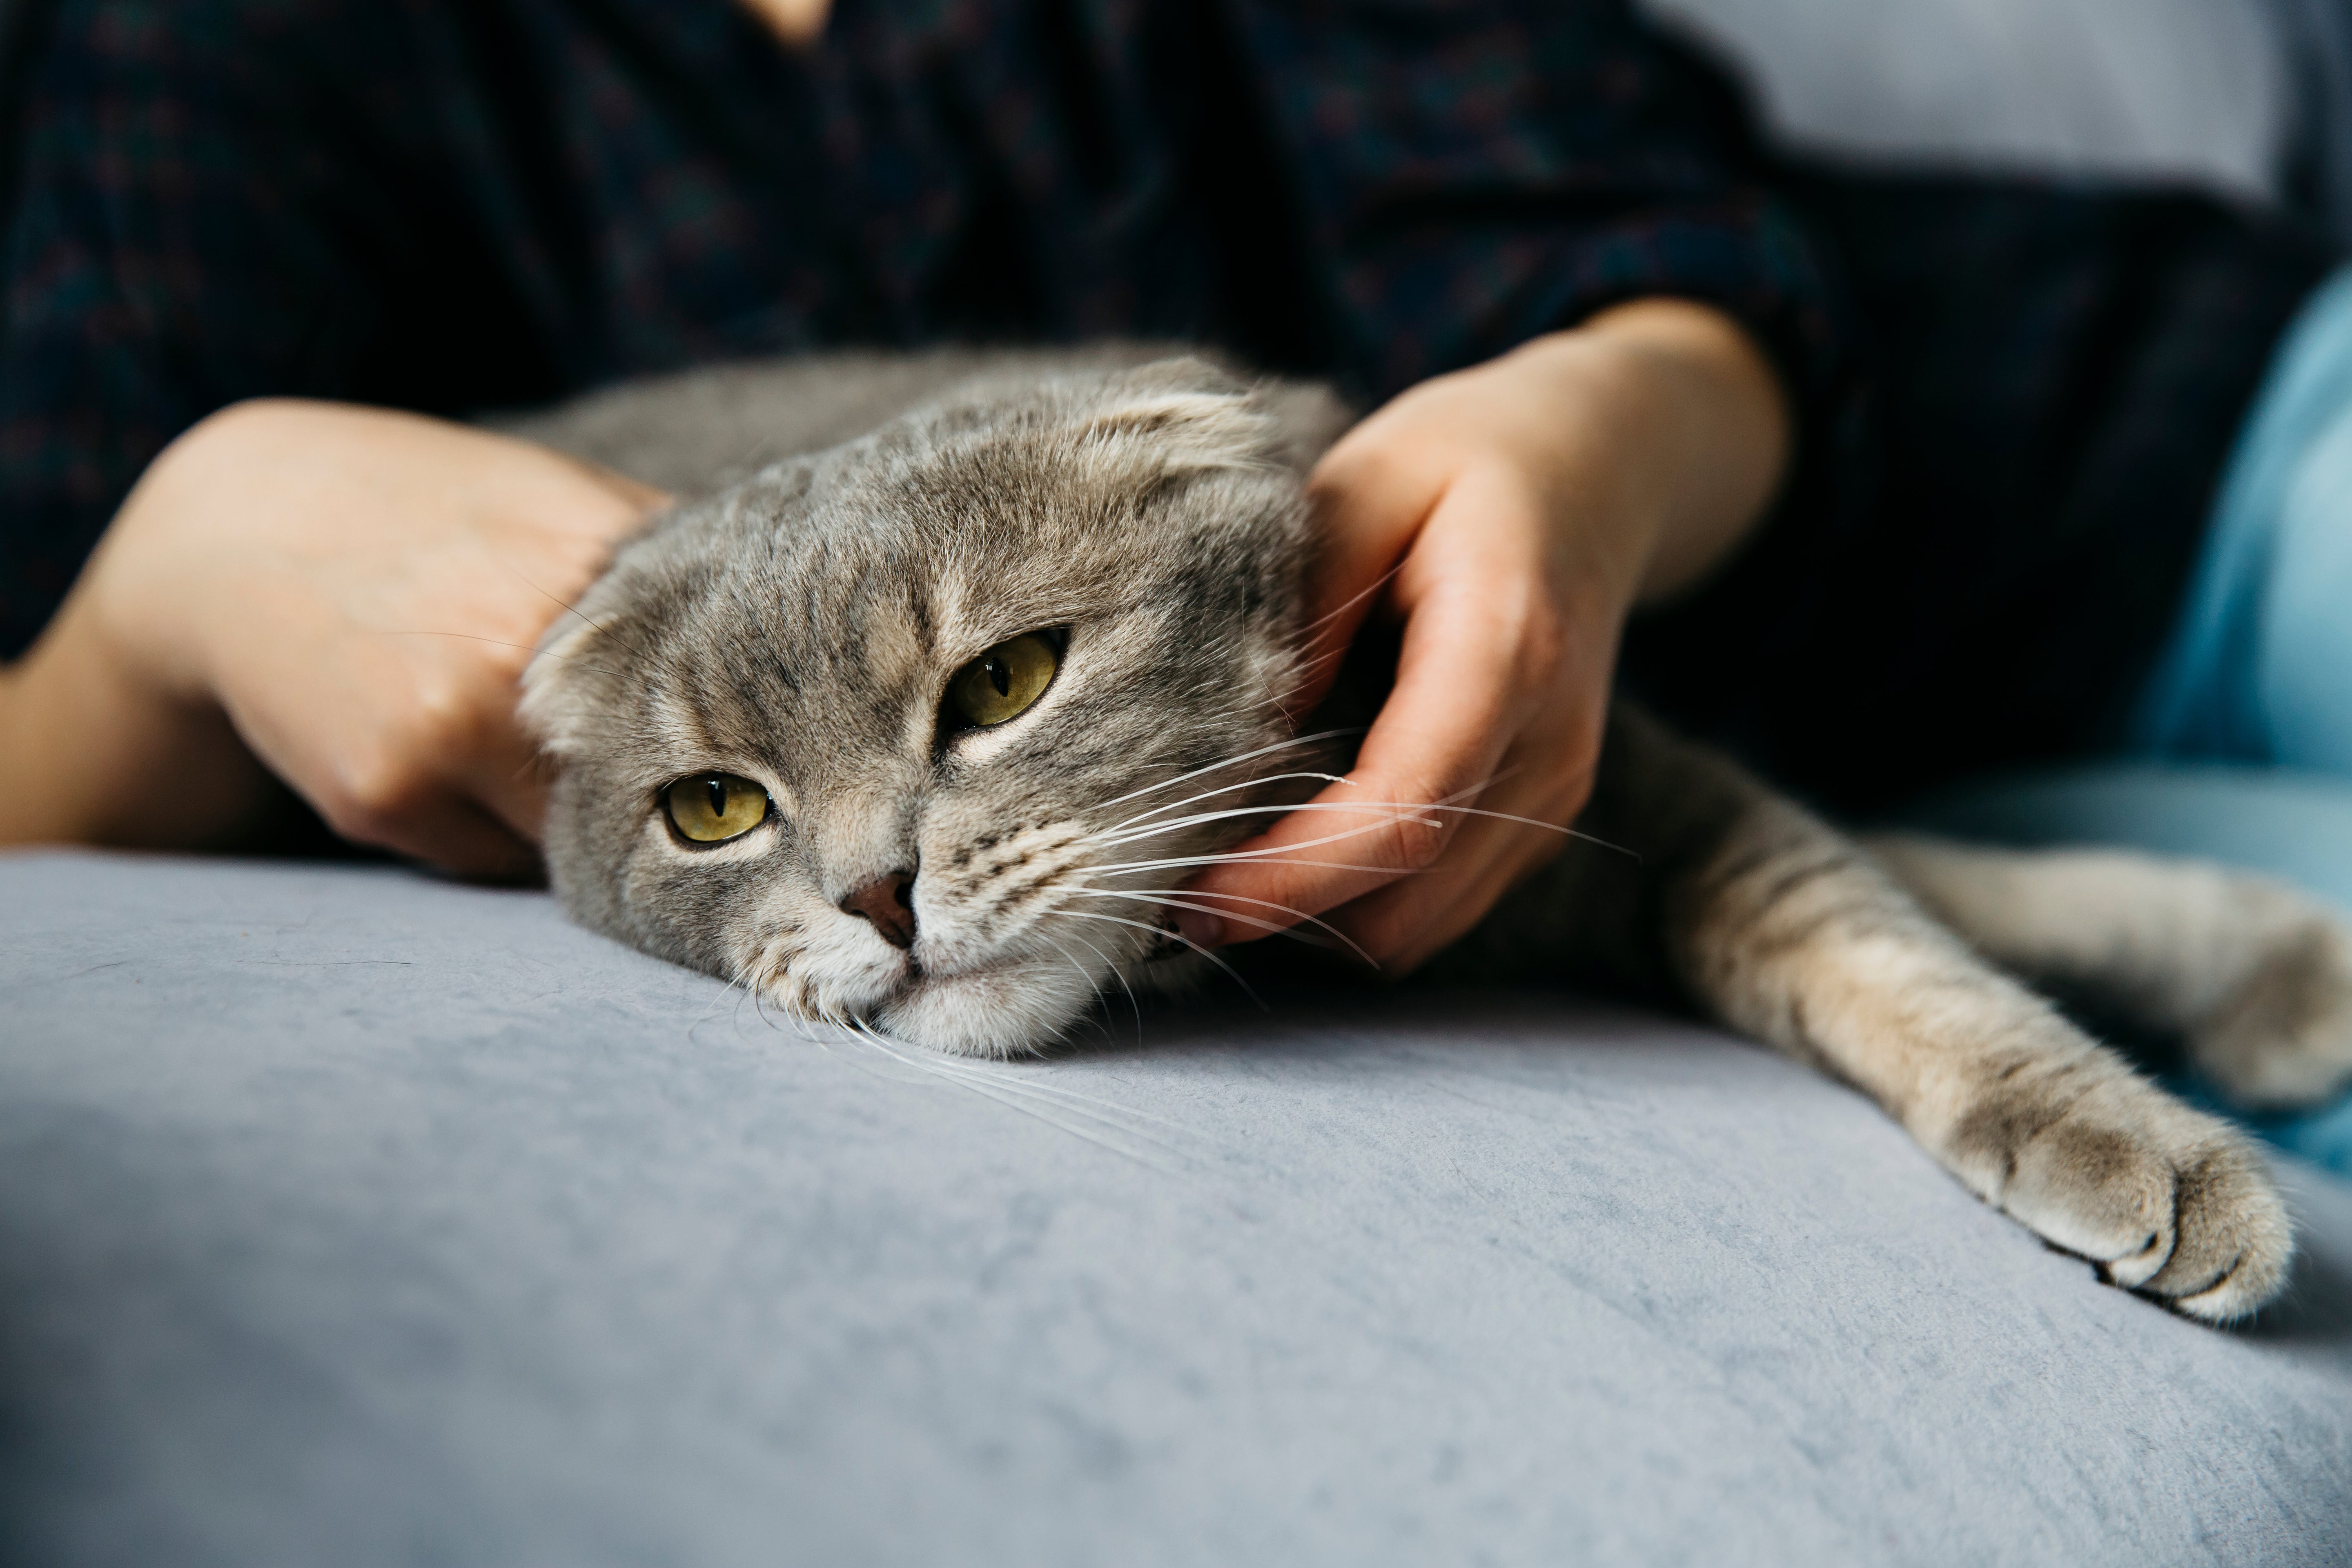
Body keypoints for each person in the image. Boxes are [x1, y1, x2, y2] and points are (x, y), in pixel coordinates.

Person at [0, 0, 2336, 979]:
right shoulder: (231, 49)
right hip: (1892, 778)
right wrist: (176, 567)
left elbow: (1668, 276)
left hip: (2150, 447)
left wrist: (1588, 443)